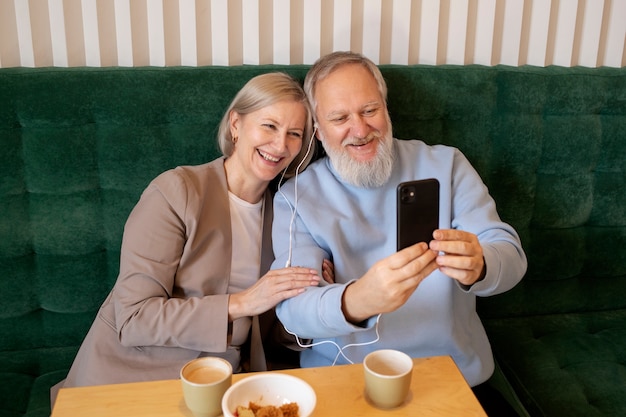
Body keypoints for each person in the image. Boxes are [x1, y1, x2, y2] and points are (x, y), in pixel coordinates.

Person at [271, 52, 527, 415]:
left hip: (451, 374)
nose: (360, 130)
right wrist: (358, 299)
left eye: (370, 110)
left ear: (387, 109)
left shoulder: (447, 165)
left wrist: (482, 264)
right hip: (346, 381)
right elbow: (293, 311)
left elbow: (512, 258)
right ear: (317, 128)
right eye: (340, 118)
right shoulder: (296, 196)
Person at [52, 72, 334, 402]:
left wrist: (313, 294)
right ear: (236, 124)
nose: (280, 144)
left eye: (294, 134)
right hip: (136, 378)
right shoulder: (175, 192)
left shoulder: (286, 211)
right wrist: (241, 303)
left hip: (229, 383)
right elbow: (133, 319)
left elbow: (275, 329)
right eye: (269, 126)